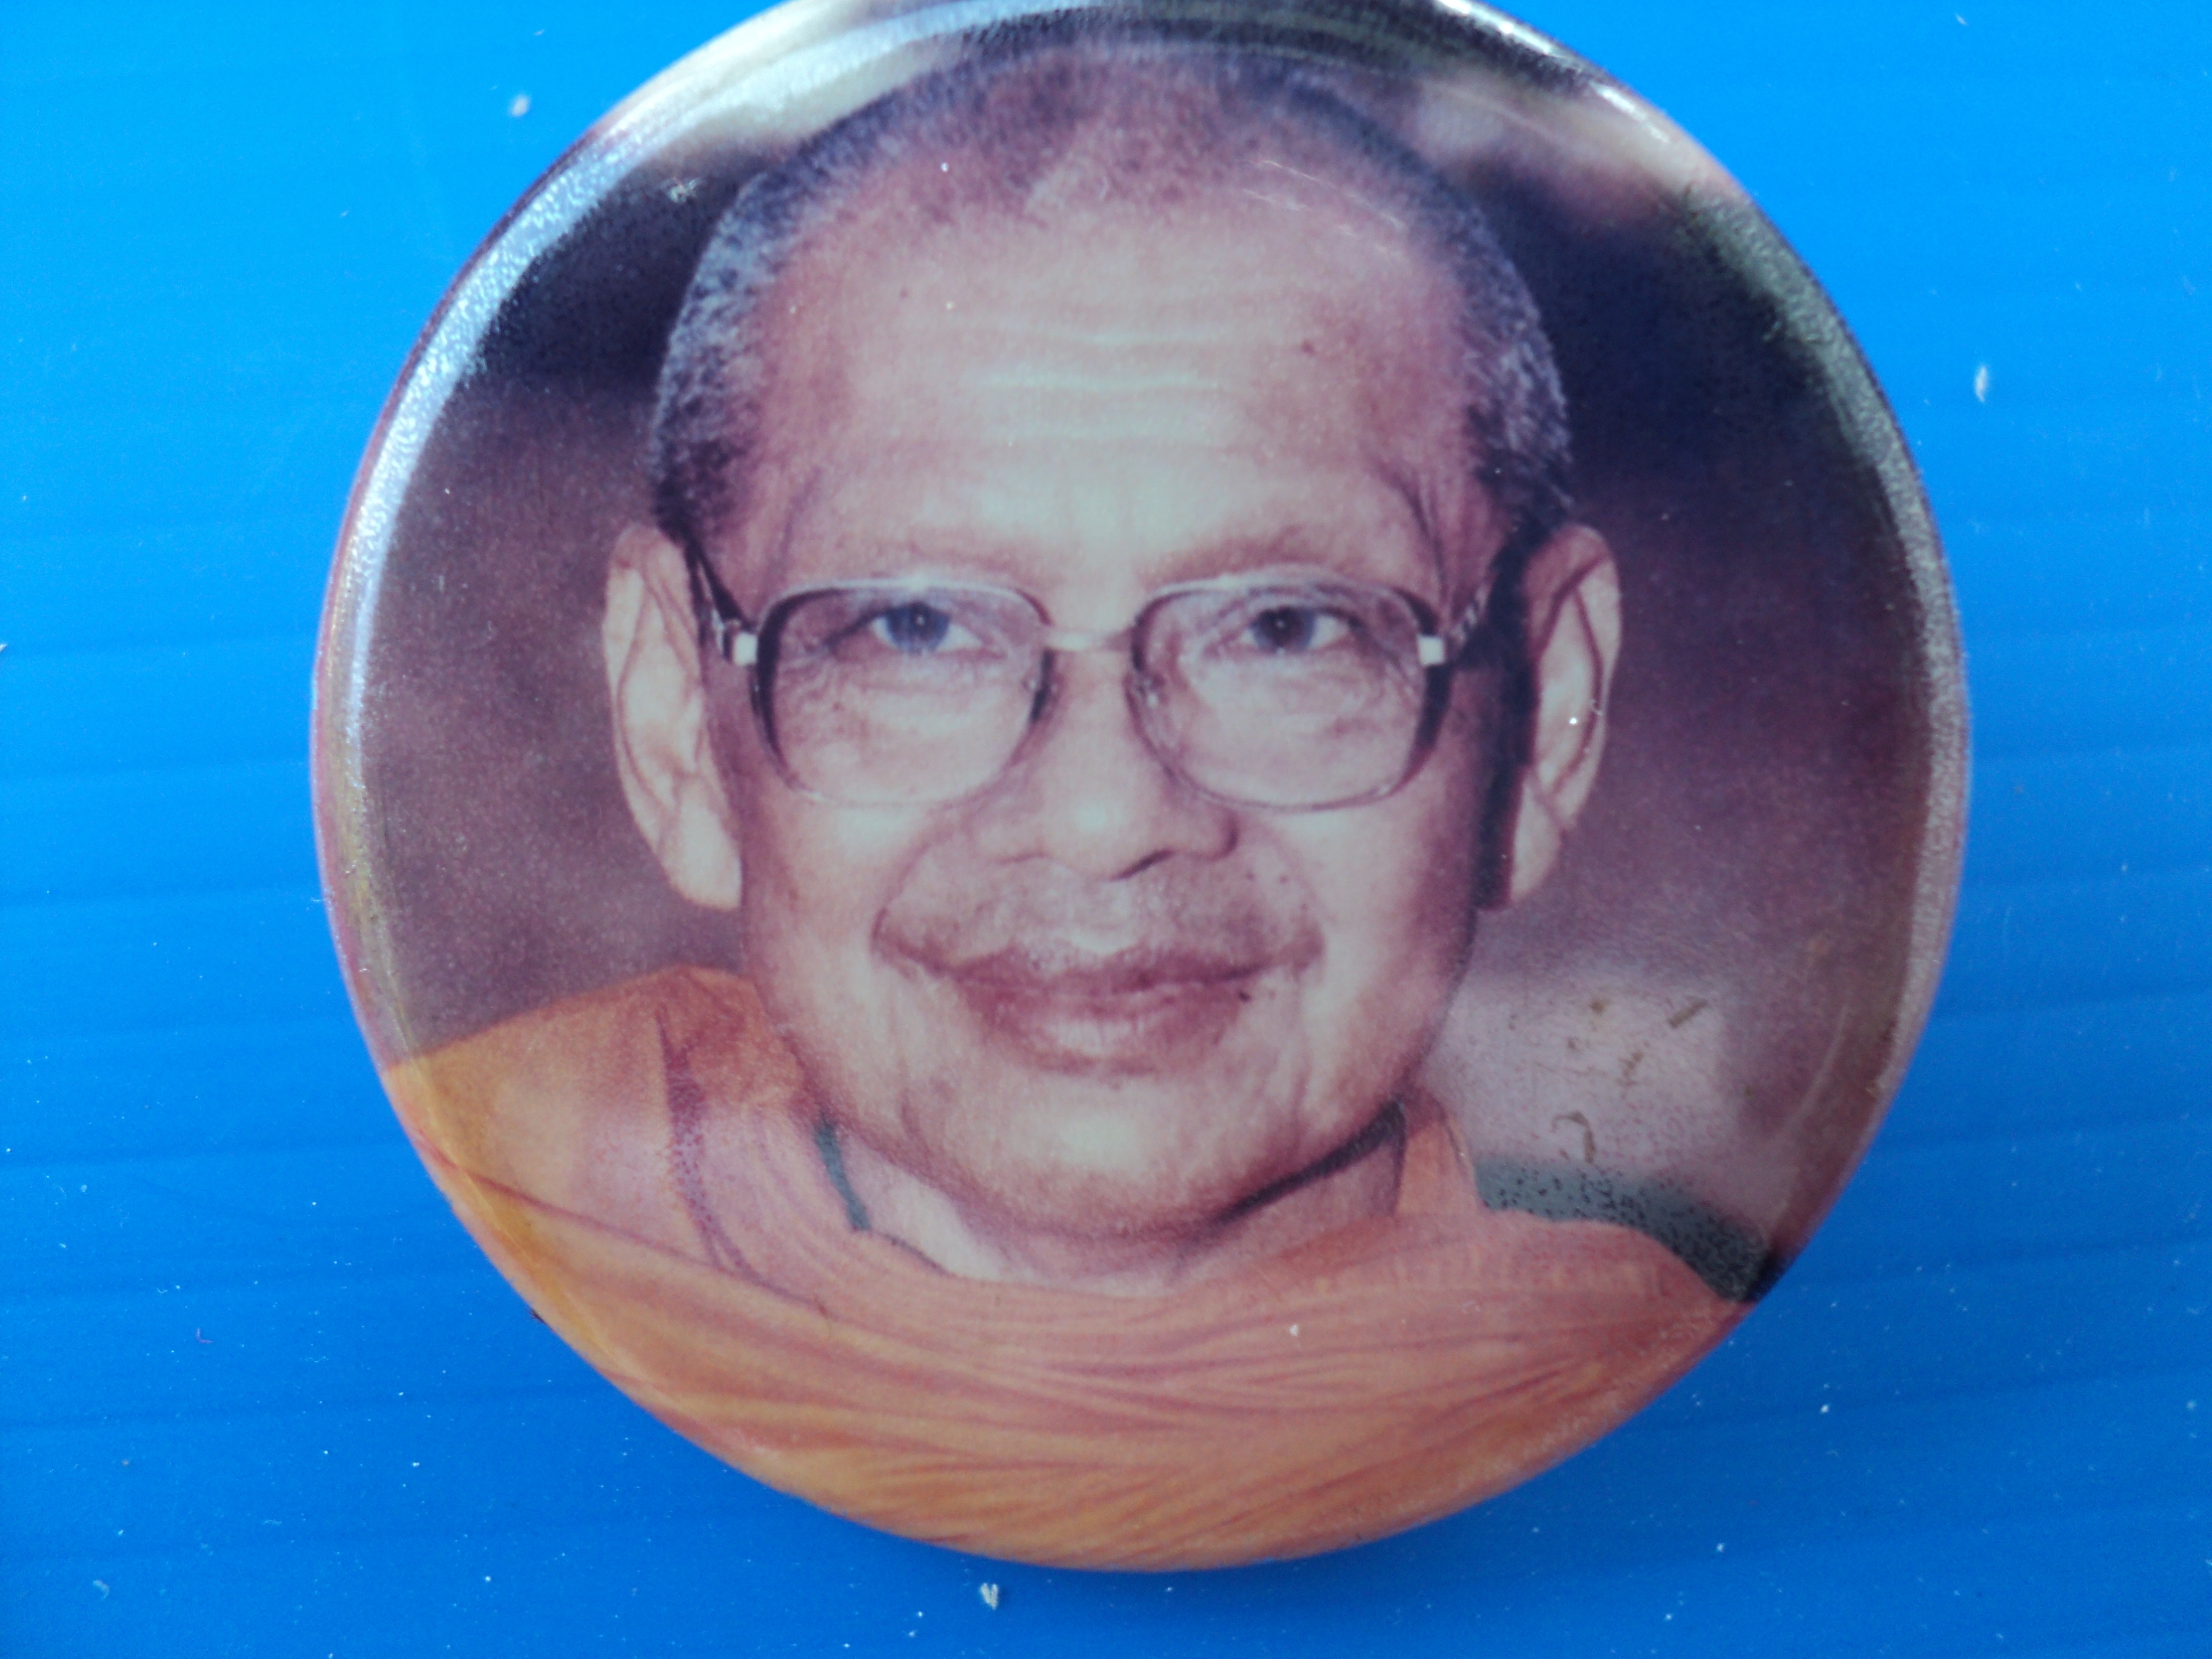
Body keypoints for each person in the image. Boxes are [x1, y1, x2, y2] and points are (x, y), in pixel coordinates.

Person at [384, 36, 1741, 1566]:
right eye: (916, 628)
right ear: (679, 726)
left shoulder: (1693, 1441)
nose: (1105, 821)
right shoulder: (438, 1279)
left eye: (1285, 627)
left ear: (1543, 722)